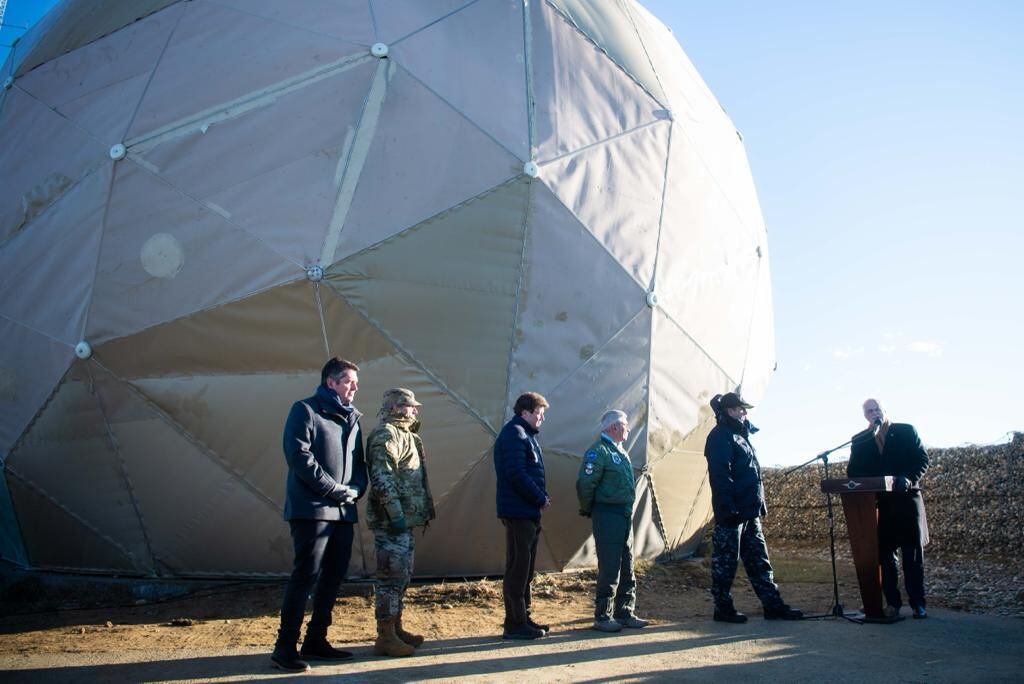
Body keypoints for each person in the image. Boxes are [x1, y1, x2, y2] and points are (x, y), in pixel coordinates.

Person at [272, 357, 368, 672]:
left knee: (334, 575)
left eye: (355, 381)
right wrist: (333, 489)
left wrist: (355, 489)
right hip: (312, 509)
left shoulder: (353, 418)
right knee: (306, 576)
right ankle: (285, 647)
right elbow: (299, 456)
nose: (355, 386)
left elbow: (359, 464)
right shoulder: (306, 410)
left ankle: (316, 640)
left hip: (343, 511)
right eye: (349, 381)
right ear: (331, 382)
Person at [704, 392, 802, 623]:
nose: (745, 413)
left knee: (759, 561)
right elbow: (720, 475)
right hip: (732, 513)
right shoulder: (720, 436)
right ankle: (723, 608)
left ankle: (773, 605)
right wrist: (728, 507)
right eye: (741, 409)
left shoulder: (741, 436)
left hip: (749, 512)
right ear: (730, 411)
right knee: (725, 564)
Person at [365, 388, 436, 656]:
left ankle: (395, 629)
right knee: (390, 579)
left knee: (402, 577)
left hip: (404, 521)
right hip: (392, 522)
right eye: (410, 406)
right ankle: (385, 636)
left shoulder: (406, 435)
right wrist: (395, 514)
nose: (415, 410)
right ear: (395, 407)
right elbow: (383, 477)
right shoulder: (386, 434)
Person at [847, 398, 930, 619]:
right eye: (869, 411)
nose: (874, 413)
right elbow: (853, 472)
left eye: (877, 410)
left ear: (885, 411)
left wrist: (909, 479)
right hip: (881, 507)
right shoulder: (860, 440)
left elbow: (922, 459)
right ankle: (892, 603)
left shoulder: (905, 431)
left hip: (907, 503)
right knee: (885, 556)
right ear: (865, 415)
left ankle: (918, 604)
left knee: (912, 556)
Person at [576, 410, 650, 632]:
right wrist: (590, 509)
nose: (628, 429)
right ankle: (603, 615)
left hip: (623, 515)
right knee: (610, 566)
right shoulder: (598, 451)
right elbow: (585, 484)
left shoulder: (619, 451)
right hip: (608, 514)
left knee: (627, 564)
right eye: (625, 425)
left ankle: (624, 611)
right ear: (614, 427)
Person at [493, 391, 551, 640]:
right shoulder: (515, 434)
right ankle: (515, 623)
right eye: (539, 413)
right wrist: (540, 497)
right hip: (519, 511)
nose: (542, 418)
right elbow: (516, 474)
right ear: (524, 412)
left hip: (526, 511)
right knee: (518, 567)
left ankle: (523, 617)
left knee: (525, 568)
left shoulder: (525, 435)